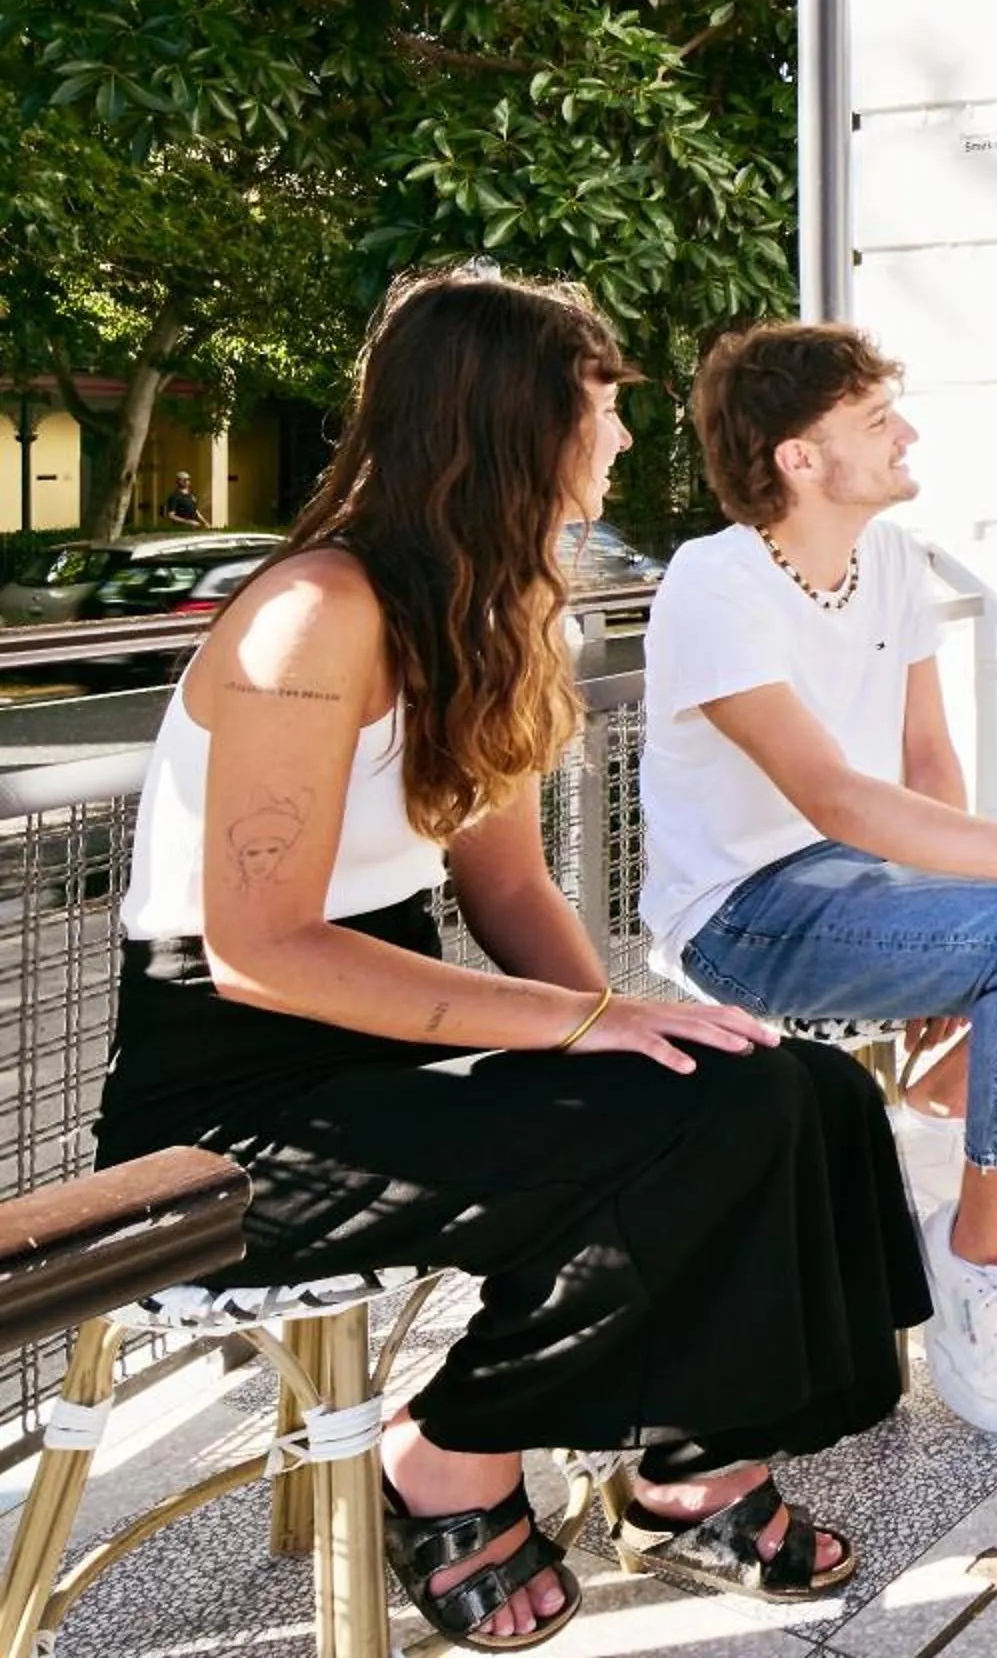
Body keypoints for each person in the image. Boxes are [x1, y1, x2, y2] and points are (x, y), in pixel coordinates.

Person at [98, 271, 912, 1650]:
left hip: (393, 1035)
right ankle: (449, 1459)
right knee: (677, 1127)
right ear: (511, 425)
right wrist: (569, 1031)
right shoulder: (319, 612)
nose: (616, 444)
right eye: (596, 413)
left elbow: (507, 882)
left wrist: (617, 1014)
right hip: (236, 1091)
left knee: (785, 1086)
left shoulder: (497, 611)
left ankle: (689, 1461)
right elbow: (257, 948)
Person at [640, 322, 997, 1438]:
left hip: (866, 882)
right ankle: (979, 1258)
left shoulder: (890, 562)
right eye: (874, 421)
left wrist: (964, 929)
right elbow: (834, 800)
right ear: (799, 459)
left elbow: (927, 767)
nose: (907, 434)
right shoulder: (714, 585)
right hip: (746, 915)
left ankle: (965, 1076)